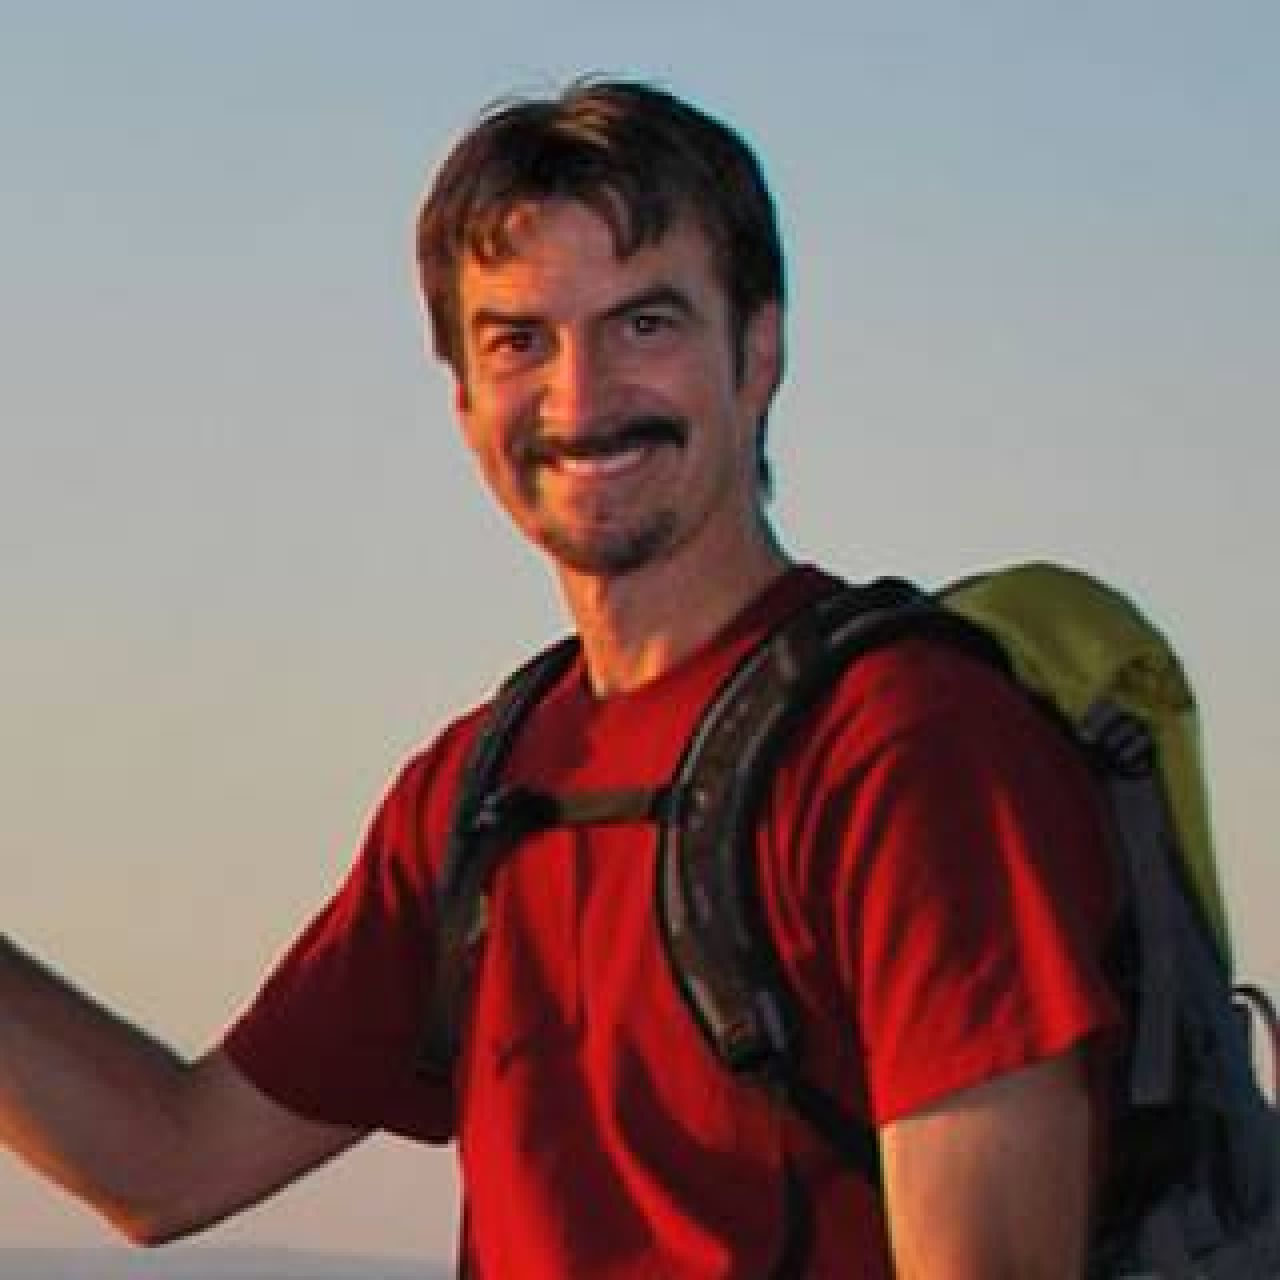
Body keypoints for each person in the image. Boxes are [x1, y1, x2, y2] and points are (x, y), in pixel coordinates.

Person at [1, 79, 1120, 1277]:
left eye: (645, 324)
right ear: (464, 396)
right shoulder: (476, 790)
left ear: (758, 350)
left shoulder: (903, 745)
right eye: (519, 340)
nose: (580, 400)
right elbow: (167, 1161)